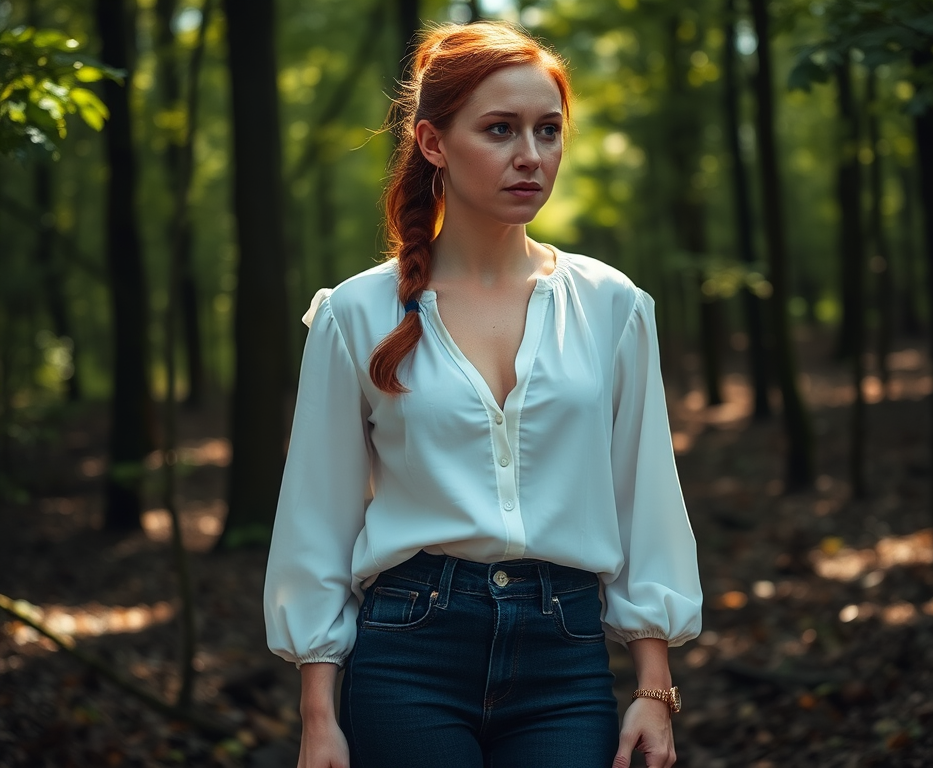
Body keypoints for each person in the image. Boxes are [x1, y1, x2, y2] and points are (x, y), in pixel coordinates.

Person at [264, 20, 702, 768]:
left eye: (548, 131)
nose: (531, 156)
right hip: (407, 651)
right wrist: (317, 713)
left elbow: (645, 500)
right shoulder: (354, 314)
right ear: (434, 143)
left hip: (564, 655)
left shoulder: (613, 306)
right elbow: (318, 517)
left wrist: (653, 690)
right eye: (499, 130)